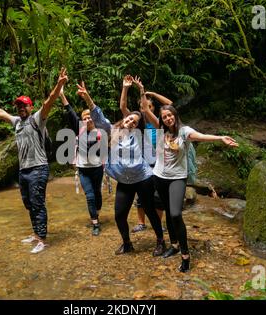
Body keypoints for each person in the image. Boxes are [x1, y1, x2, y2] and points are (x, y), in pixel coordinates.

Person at [138, 78, 239, 272]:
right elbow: (145, 108)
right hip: (159, 176)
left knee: (176, 213)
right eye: (164, 117)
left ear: (175, 116)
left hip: (177, 177)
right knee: (167, 211)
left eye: (170, 116)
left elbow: (201, 136)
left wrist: (220, 138)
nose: (168, 119)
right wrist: (142, 91)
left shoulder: (184, 132)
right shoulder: (159, 130)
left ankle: (185, 256)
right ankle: (174, 245)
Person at [0, 67, 68, 254]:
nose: (21, 108)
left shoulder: (37, 119)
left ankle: (42, 239)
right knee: (28, 204)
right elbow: (2, 113)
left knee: (37, 203)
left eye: (24, 105)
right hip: (24, 171)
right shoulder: (17, 122)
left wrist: (59, 84)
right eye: (18, 106)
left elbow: (49, 102)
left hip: (38, 168)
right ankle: (36, 234)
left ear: (30, 107)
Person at [76, 81, 166, 256]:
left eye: (134, 121)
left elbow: (146, 111)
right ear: (124, 119)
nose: (131, 121)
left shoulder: (142, 136)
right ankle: (127, 243)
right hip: (124, 180)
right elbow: (98, 116)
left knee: (150, 211)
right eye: (129, 118)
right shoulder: (113, 130)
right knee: (119, 214)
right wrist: (87, 96)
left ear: (137, 125)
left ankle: (160, 241)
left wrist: (141, 91)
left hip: (143, 179)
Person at [119, 75, 168, 236]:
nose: (144, 108)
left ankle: (159, 224)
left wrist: (149, 93)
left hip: (159, 162)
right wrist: (125, 88)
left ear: (153, 108)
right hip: (143, 162)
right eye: (141, 107)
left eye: (147, 106)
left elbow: (169, 105)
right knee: (141, 196)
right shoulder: (138, 125)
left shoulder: (159, 122)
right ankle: (141, 223)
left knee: (158, 195)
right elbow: (123, 107)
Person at [59, 86, 104, 236]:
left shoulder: (99, 132)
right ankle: (95, 222)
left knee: (97, 194)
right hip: (83, 169)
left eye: (89, 117)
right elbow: (69, 111)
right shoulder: (79, 129)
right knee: (89, 195)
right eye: (84, 118)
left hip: (97, 168)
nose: (87, 119)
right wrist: (61, 95)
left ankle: (96, 212)